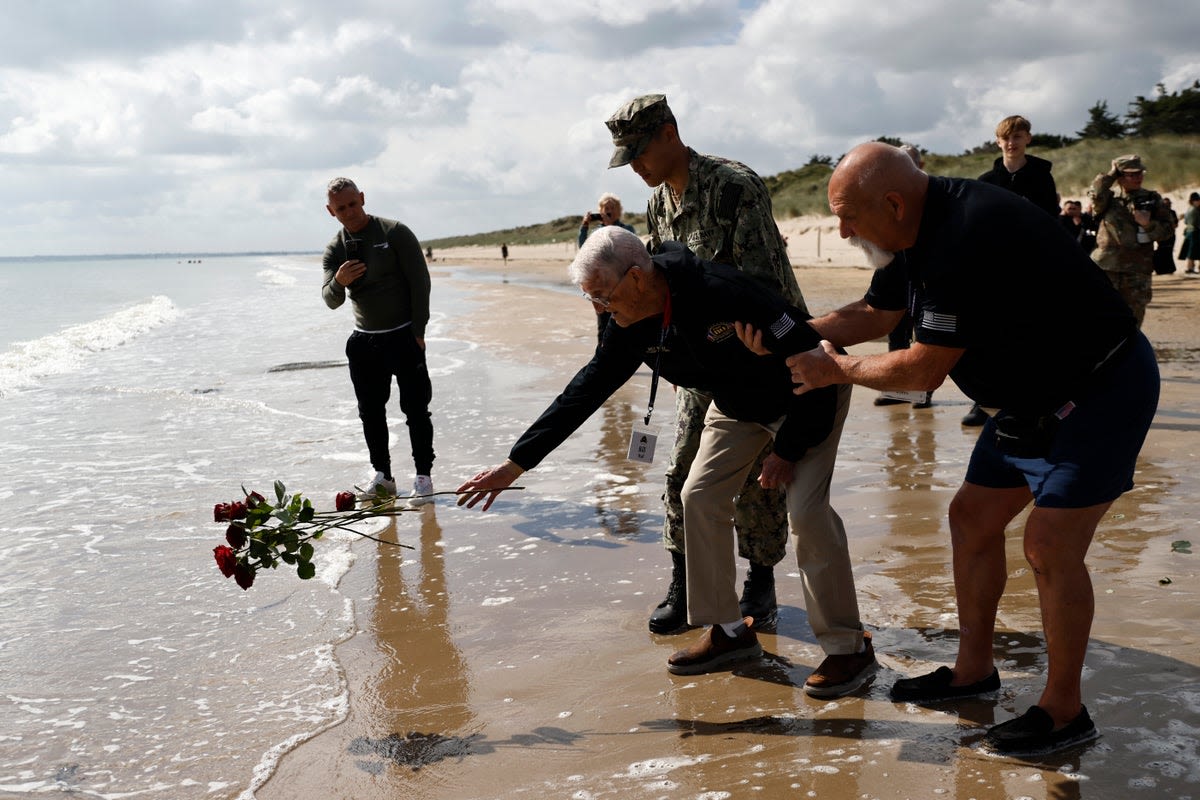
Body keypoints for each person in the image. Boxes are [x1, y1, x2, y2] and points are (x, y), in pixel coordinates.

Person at [741, 142, 1158, 756]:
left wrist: (836, 371)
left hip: (1099, 391)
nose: (842, 229)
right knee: (971, 518)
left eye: (849, 216)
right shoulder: (913, 228)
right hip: (1028, 402)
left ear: (892, 201)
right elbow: (879, 310)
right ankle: (972, 671)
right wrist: (791, 334)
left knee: (1047, 545)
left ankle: (1065, 711)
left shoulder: (963, 236)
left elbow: (924, 370)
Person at [456, 226, 875, 696]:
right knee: (698, 496)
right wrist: (516, 465)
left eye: (602, 295)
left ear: (636, 278)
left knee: (807, 512)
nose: (599, 308)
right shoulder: (629, 322)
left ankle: (848, 649)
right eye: (589, 297)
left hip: (807, 395)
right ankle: (729, 633)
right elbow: (587, 388)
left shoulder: (725, 292)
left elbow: (812, 356)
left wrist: (787, 450)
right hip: (738, 407)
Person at [605, 93, 802, 634]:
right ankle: (685, 582)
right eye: (628, 159)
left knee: (759, 479)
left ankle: (759, 581)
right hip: (698, 353)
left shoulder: (732, 186)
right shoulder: (657, 203)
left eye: (641, 153)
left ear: (670, 133)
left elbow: (761, 283)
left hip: (761, 353)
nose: (637, 167)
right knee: (681, 473)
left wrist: (750, 352)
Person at [321, 177, 436, 507]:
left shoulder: (394, 232)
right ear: (331, 211)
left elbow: (420, 283)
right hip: (364, 343)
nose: (349, 212)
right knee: (370, 413)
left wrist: (419, 331)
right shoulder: (335, 248)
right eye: (341, 208)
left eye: (353, 204)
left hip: (403, 335)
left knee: (416, 410)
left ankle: (423, 477)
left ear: (362, 198)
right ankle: (383, 476)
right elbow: (330, 300)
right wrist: (340, 281)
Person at [960, 115, 1060, 427]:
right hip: (992, 269)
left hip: (1031, 267)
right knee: (987, 333)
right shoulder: (987, 181)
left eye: (1017, 137)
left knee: (1032, 333)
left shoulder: (1042, 178)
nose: (1011, 143)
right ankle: (983, 400)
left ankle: (1032, 398)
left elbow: (1050, 223)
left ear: (1028, 139)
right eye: (1006, 138)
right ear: (998, 141)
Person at [874, 143, 932, 409]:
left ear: (919, 167)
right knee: (896, 333)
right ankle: (897, 389)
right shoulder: (883, 197)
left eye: (907, 164)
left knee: (923, 335)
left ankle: (922, 391)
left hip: (924, 278)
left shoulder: (931, 197)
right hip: (894, 273)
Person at [1089, 154, 1176, 327]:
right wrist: (1111, 174)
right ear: (1120, 177)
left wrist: (1148, 224)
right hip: (1107, 267)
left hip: (1137, 269)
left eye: (1140, 173)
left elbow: (1167, 231)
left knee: (1133, 320)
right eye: (1132, 174)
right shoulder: (1109, 200)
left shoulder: (1152, 198)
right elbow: (1096, 194)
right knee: (1101, 317)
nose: (1138, 177)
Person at [578, 193, 637, 336]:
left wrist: (611, 227)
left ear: (618, 211)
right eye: (605, 208)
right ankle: (604, 352)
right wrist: (584, 227)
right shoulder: (596, 231)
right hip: (602, 285)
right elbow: (584, 249)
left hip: (622, 282)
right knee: (603, 326)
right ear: (600, 211)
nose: (609, 210)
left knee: (625, 323)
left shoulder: (627, 228)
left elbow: (629, 247)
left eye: (612, 207)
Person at [1153, 197, 1178, 276]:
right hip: (1162, 235)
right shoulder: (1159, 213)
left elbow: (1176, 224)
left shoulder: (1172, 212)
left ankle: (1168, 269)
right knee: (1162, 251)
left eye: (1169, 204)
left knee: (1168, 251)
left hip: (1170, 235)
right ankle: (1161, 269)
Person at [1183, 192, 1200, 274]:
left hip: (1189, 232)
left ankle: (1190, 268)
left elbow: (1186, 221)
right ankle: (1190, 268)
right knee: (1193, 251)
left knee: (1191, 251)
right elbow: (1197, 223)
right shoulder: (1195, 210)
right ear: (1194, 201)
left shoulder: (1189, 209)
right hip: (1195, 232)